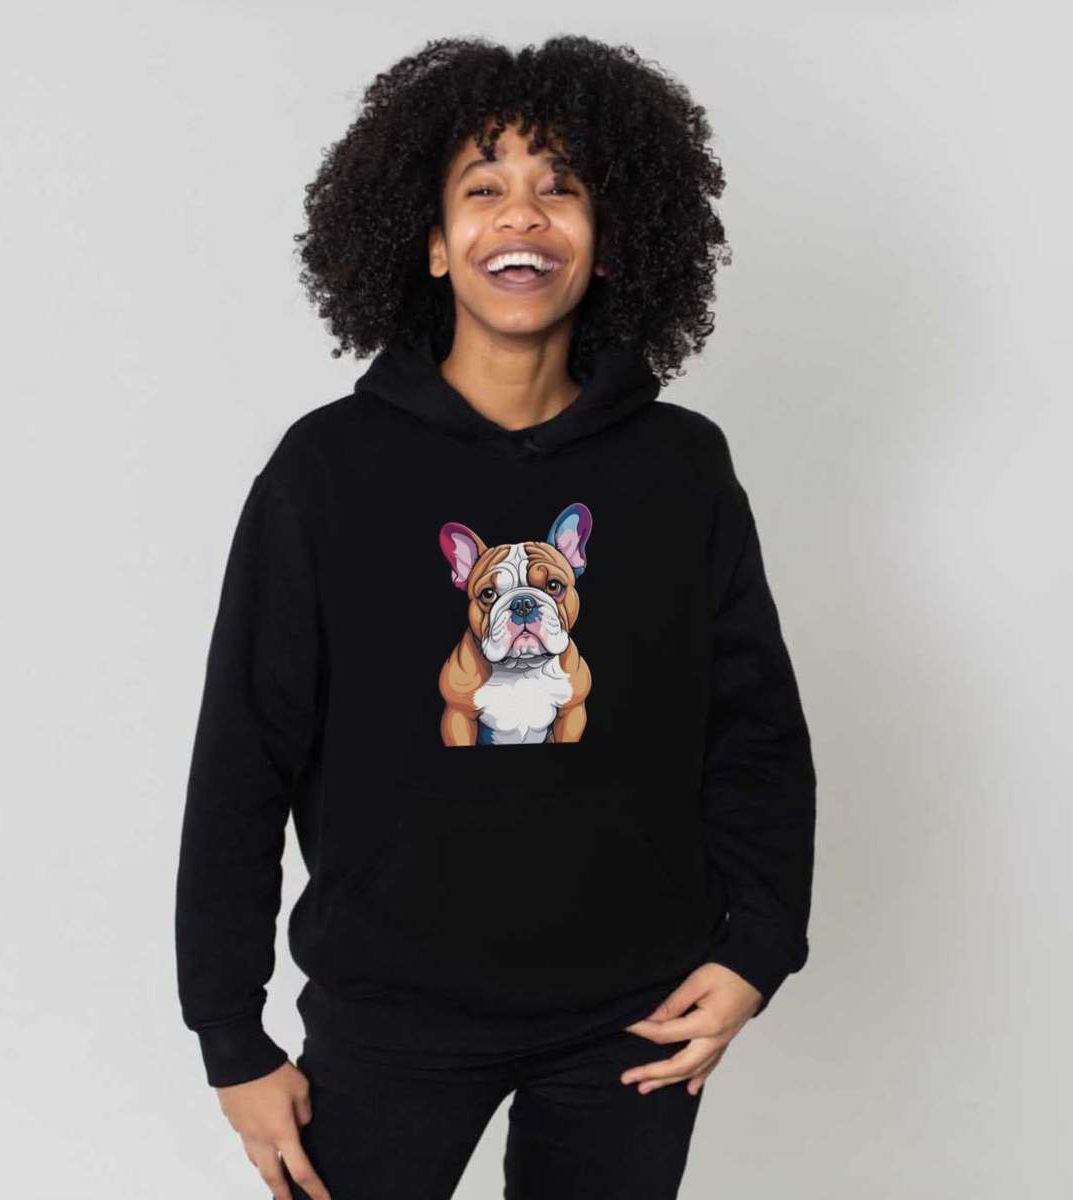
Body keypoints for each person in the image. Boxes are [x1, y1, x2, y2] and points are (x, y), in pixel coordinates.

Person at [174, 33, 817, 1200]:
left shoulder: (681, 468)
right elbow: (243, 754)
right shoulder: (327, 471)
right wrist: (230, 1033)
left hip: (635, 1017)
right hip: (390, 1012)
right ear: (430, 240)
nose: (523, 213)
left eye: (561, 186)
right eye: (483, 188)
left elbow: (757, 733)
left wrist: (757, 950)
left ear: (612, 239)